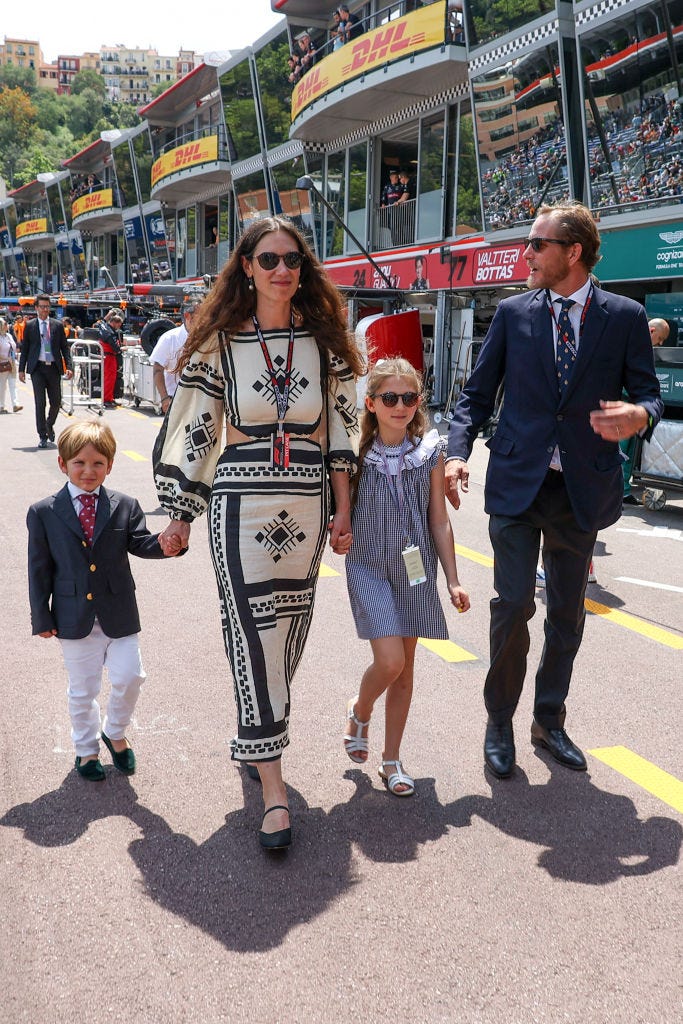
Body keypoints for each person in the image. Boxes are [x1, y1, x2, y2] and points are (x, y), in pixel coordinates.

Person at [154, 215, 363, 850]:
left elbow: (341, 429)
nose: (282, 271)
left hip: (305, 501)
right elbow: (194, 422)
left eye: (293, 261)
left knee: (289, 630)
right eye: (269, 259)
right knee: (253, 628)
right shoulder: (220, 341)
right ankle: (273, 785)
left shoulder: (326, 341)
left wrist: (343, 507)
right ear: (246, 266)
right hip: (239, 497)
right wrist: (181, 511)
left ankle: (256, 729)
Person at [445, 201, 662, 779]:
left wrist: (640, 413)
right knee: (513, 606)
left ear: (572, 252)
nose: (527, 253)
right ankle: (499, 721)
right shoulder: (514, 313)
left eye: (538, 244)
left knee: (567, 614)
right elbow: (474, 395)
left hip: (582, 490)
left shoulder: (624, 317)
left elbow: (648, 392)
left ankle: (549, 719)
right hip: (518, 483)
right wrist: (455, 454)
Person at [26, 421, 183, 782]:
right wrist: (42, 617)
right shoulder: (44, 512)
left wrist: (167, 544)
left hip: (119, 612)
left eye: (98, 463)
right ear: (63, 464)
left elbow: (141, 543)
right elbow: (39, 569)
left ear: (110, 466)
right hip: (72, 615)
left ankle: (114, 731)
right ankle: (86, 750)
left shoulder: (124, 505)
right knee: (83, 689)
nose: (89, 471)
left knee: (131, 676)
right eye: (79, 463)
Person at [344, 359, 470, 796]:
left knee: (405, 671)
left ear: (418, 403)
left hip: (415, 571)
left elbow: (439, 520)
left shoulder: (429, 453)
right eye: (389, 398)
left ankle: (391, 759)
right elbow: (338, 510)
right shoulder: (355, 455)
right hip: (368, 565)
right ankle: (360, 711)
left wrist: (453, 579)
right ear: (371, 403)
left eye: (408, 398)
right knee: (390, 660)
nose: (399, 406)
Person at [622, 316, 671, 505]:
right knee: (622, 451)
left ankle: (624, 491)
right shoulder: (632, 347)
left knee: (629, 452)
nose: (660, 344)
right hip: (626, 408)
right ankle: (618, 492)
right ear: (651, 332)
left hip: (635, 409)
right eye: (660, 339)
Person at [18, 294, 73, 448]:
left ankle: (49, 424)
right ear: (36, 308)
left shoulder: (57, 325)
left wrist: (69, 366)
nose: (45, 310)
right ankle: (42, 435)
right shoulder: (30, 326)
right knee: (40, 403)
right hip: (38, 368)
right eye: (42, 307)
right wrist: (21, 370)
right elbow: (25, 349)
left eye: (47, 307)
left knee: (56, 402)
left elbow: (64, 348)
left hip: (54, 368)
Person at [149, 303, 199, 415]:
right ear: (188, 316)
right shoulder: (169, 339)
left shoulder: (207, 339)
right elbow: (158, 369)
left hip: (201, 401)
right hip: (175, 400)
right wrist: (164, 397)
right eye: (200, 315)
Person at [97, 308, 124, 408]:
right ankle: (106, 399)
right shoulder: (110, 333)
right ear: (114, 322)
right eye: (118, 325)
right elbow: (115, 347)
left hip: (107, 356)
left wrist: (109, 314)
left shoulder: (103, 327)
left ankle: (109, 397)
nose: (119, 327)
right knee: (109, 378)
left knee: (111, 378)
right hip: (109, 356)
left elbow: (101, 322)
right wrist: (121, 349)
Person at [0, 317, 22, 413]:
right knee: (2, 386)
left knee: (13, 384)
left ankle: (15, 404)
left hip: (11, 363)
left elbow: (14, 346)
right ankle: (1, 406)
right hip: (2, 363)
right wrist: (5, 358)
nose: (7, 325)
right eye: (4, 324)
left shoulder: (9, 335)